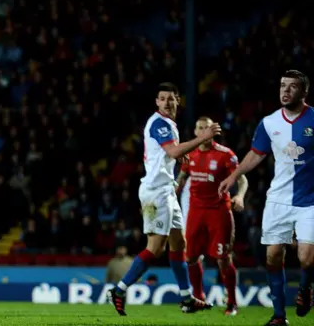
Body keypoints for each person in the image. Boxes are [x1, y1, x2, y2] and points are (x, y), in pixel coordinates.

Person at [107, 83, 219, 316]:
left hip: (165, 191)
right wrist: (202, 137)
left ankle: (186, 298)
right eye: (162, 98)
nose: (167, 102)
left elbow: (170, 153)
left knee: (179, 244)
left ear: (178, 100)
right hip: (156, 193)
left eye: (171, 98)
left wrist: (180, 155)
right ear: (157, 102)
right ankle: (119, 290)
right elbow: (173, 152)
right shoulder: (160, 123)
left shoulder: (168, 124)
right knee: (155, 248)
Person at [219, 70, 314, 326]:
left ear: (303, 92)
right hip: (278, 199)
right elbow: (256, 154)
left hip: (310, 200)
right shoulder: (270, 122)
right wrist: (233, 176)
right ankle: (279, 317)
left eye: (292, 87)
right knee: (272, 255)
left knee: (307, 257)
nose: (285, 91)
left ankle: (306, 289)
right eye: (283, 86)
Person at [176, 116, 248, 316]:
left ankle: (232, 303)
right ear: (195, 131)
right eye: (200, 128)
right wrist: (172, 191)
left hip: (218, 211)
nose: (204, 132)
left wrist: (240, 197)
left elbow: (242, 179)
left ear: (214, 131)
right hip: (195, 212)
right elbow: (181, 178)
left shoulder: (225, 155)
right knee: (190, 257)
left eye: (207, 128)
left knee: (223, 259)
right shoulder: (190, 153)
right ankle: (198, 298)